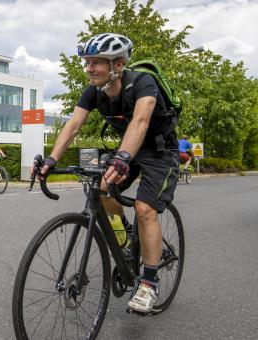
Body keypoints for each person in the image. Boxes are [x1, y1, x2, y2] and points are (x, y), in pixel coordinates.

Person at [33, 33, 179, 314]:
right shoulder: (93, 92)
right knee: (99, 188)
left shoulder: (143, 83)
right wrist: (52, 159)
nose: (88, 69)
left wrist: (123, 157)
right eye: (87, 63)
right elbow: (72, 126)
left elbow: (140, 120)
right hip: (128, 149)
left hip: (160, 152)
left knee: (145, 208)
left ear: (119, 65)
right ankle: (124, 232)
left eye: (96, 63)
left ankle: (148, 284)